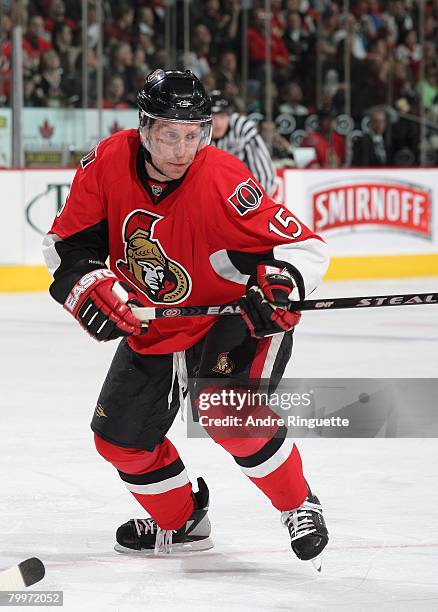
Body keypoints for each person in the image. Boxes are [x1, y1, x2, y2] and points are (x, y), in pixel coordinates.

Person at [42, 69, 329, 565]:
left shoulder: (222, 177)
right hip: (155, 319)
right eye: (169, 135)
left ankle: (299, 504)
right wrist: (89, 288)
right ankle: (184, 523)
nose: (181, 149)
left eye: (192, 135)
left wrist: (281, 284)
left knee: (224, 412)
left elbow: (304, 247)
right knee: (119, 440)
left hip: (234, 315)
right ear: (145, 128)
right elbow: (66, 245)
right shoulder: (108, 162)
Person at [210, 90, 276, 195]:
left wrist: (249, 204)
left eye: (222, 116)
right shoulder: (197, 131)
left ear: (229, 115)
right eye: (213, 117)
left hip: (242, 194)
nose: (218, 123)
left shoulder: (242, 128)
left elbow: (265, 175)